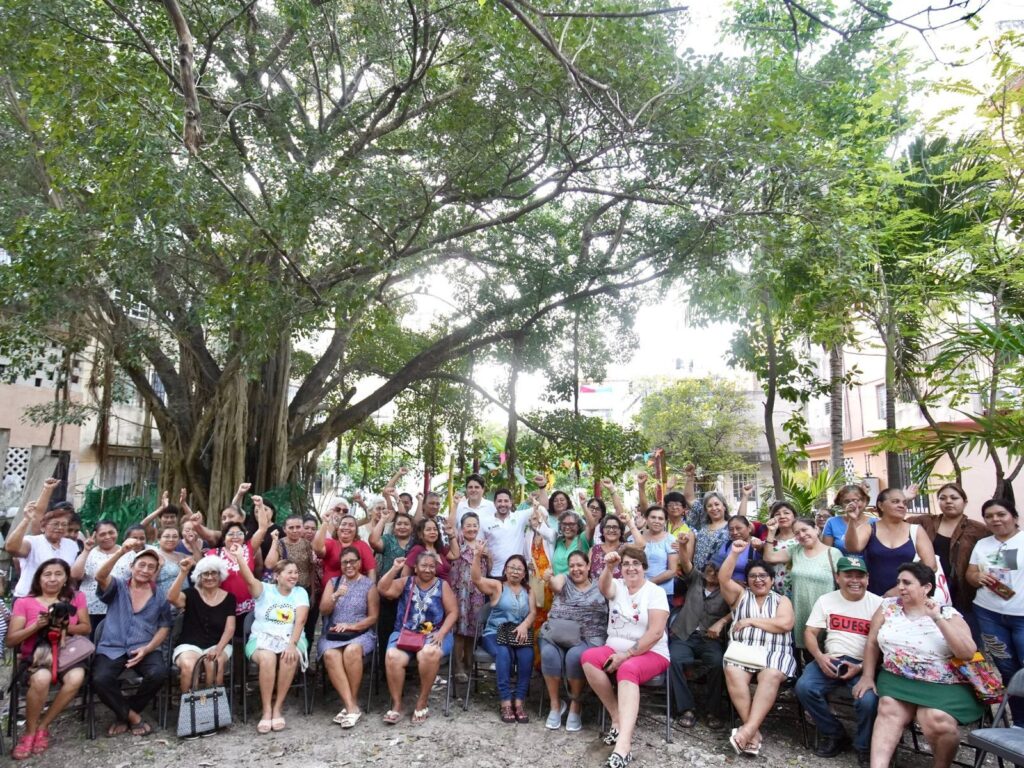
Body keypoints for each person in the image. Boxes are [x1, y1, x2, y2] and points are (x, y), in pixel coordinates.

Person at [855, 563, 982, 768]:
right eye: (899, 582)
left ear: (926, 587)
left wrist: (937, 619)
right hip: (896, 679)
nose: (901, 587)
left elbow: (967, 652)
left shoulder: (948, 613)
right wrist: (867, 676)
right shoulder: (888, 607)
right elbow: (871, 642)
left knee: (935, 718)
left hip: (943, 683)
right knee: (888, 707)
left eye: (907, 583)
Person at [582, 546, 670, 768]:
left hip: (651, 652)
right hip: (615, 646)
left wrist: (627, 655)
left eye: (636, 563)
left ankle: (624, 746)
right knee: (589, 658)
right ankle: (617, 718)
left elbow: (656, 633)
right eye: (627, 564)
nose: (631, 568)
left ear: (644, 567)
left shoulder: (655, 592)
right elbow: (603, 587)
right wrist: (609, 567)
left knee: (627, 669)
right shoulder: (618, 586)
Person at [796, 555, 883, 766]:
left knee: (868, 700)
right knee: (804, 687)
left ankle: (864, 746)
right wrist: (820, 656)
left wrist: (862, 667)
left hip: (864, 664)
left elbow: (883, 645)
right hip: (832, 658)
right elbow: (810, 632)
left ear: (868, 578)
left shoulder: (878, 604)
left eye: (860, 576)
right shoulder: (827, 600)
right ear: (838, 577)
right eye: (848, 575)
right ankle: (834, 733)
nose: (855, 580)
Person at [6, 559, 91, 759]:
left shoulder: (76, 597)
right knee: (42, 678)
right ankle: (29, 732)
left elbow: (86, 627)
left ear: (66, 578)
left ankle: (43, 725)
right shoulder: (24, 602)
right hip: (38, 656)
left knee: (76, 677)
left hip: (67, 655)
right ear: (39, 578)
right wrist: (36, 626)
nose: (53, 578)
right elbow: (11, 640)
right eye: (47, 574)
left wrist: (60, 625)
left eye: (58, 574)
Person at [719, 539, 797, 756]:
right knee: (732, 670)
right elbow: (723, 578)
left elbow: (784, 624)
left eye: (763, 576)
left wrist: (750, 621)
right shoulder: (740, 596)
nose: (758, 580)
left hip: (776, 652)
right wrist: (735, 554)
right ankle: (752, 732)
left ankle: (747, 732)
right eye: (753, 576)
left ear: (772, 580)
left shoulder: (782, 601)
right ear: (747, 581)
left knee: (771, 675)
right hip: (743, 651)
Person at [93, 540, 173, 737]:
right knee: (99, 679)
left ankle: (124, 714)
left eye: (151, 567)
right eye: (142, 565)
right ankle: (133, 718)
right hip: (113, 646)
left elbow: (165, 627)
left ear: (155, 572)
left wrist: (148, 648)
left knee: (158, 673)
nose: (145, 570)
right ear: (132, 567)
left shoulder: (160, 595)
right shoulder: (118, 586)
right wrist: (121, 551)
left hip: (143, 647)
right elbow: (100, 575)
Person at [226, 544, 309, 734]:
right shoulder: (264, 590)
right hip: (262, 637)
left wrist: (291, 645)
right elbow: (248, 578)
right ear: (276, 576)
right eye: (289, 572)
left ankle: (278, 706)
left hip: (292, 637)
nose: (294, 576)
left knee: (289, 657)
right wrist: (239, 556)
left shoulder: (300, 593)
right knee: (268, 658)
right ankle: (266, 710)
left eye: (296, 572)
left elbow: (301, 620)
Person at [378, 551, 458, 725]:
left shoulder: (442, 585)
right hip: (405, 633)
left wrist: (442, 632)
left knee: (428, 654)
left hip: (435, 633)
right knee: (393, 656)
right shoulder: (407, 582)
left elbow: (453, 612)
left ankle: (422, 701)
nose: (428, 569)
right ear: (415, 567)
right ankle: (397, 704)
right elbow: (383, 589)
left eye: (431, 566)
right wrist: (395, 569)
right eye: (424, 565)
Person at [967, 498, 1024, 726]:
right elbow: (970, 574)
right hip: (988, 614)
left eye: (1001, 514)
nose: (995, 519)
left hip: (1021, 615)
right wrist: (976, 577)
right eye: (989, 516)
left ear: (1014, 516)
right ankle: (1019, 723)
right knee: (1007, 670)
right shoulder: (983, 544)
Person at [668, 531, 730, 730]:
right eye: (710, 568)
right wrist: (684, 545)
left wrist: (722, 621)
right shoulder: (696, 579)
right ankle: (686, 708)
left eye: (717, 570)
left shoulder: (729, 589)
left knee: (717, 663)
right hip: (684, 634)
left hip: (709, 639)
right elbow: (685, 563)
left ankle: (713, 710)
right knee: (674, 660)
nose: (712, 572)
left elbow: (739, 608)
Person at [539, 550, 608, 732]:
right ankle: (555, 705)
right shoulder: (564, 579)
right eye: (572, 566)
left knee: (575, 657)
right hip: (558, 634)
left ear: (588, 566)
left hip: (589, 637)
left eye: (580, 565)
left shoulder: (600, 585)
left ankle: (575, 706)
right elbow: (556, 585)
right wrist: (550, 578)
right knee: (548, 654)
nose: (576, 569)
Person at [471, 545, 536, 723]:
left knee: (527, 656)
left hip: (518, 633)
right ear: (505, 569)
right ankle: (506, 701)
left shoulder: (528, 591)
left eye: (519, 569)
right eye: (511, 567)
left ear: (524, 574)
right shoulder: (497, 585)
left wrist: (524, 625)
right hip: (494, 632)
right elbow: (476, 579)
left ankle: (519, 701)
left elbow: (532, 613)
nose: (515, 571)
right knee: (503, 653)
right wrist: (477, 556)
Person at [318, 544, 379, 728]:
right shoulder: (333, 583)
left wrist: (351, 626)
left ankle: (350, 705)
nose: (349, 565)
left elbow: (373, 617)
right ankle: (351, 706)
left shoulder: (369, 585)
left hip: (360, 633)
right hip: (334, 634)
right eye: (345, 562)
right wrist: (335, 596)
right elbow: (323, 610)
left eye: (352, 561)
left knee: (352, 651)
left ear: (359, 563)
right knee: (330, 654)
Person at [907, 483, 986, 623]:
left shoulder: (978, 529)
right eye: (943, 498)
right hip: (929, 586)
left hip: (962, 589)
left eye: (954, 498)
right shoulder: (925, 522)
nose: (948, 501)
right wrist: (906, 499)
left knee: (963, 634)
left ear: (965, 502)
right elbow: (895, 520)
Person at [761, 515, 842, 649]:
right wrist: (771, 532)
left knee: (826, 653)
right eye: (797, 533)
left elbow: (842, 586)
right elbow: (769, 557)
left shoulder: (833, 553)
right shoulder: (795, 550)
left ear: (816, 529)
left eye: (805, 530)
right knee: (804, 654)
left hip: (826, 615)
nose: (802, 535)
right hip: (800, 614)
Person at [845, 488, 936, 596]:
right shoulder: (869, 528)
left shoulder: (916, 530)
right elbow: (853, 548)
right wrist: (852, 520)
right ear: (881, 505)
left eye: (904, 503)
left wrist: (898, 590)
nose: (902, 505)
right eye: (895, 501)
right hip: (874, 596)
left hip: (907, 596)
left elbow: (931, 566)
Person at [167, 555, 236, 693]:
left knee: (213, 663)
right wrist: (183, 572)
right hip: (189, 644)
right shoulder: (191, 594)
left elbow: (230, 628)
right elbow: (171, 598)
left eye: (213, 573)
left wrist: (218, 649)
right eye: (205, 573)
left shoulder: (229, 598)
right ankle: (191, 708)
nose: (209, 577)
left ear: (220, 575)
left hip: (218, 644)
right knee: (190, 665)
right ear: (199, 576)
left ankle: (209, 707)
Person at [7, 484, 81, 597]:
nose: (60, 528)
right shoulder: (33, 541)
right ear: (43, 527)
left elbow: (74, 574)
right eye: (56, 524)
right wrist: (26, 520)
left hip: (59, 600)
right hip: (29, 597)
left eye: (64, 525)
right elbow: (11, 548)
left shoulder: (71, 545)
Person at [71, 519, 135, 634]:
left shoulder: (129, 553)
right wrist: (86, 551)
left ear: (117, 532)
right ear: (96, 536)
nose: (107, 537)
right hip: (91, 608)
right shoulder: (89, 553)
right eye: (102, 534)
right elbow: (75, 575)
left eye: (111, 532)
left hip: (119, 607)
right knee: (89, 644)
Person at [265, 513, 319, 645]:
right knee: (287, 624)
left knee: (308, 627)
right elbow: (269, 564)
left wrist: (312, 592)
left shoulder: (307, 544)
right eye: (291, 527)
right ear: (284, 529)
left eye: (298, 527)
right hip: (285, 592)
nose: (295, 530)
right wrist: (274, 541)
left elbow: (311, 569)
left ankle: (304, 662)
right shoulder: (280, 543)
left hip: (304, 590)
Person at [449, 511, 488, 684]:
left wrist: (486, 554)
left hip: (477, 594)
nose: (471, 528)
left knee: (473, 631)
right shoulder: (457, 543)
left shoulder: (483, 545)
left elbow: (489, 568)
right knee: (459, 632)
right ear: (462, 528)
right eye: (468, 525)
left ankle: (469, 665)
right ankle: (457, 667)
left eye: (474, 525)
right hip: (459, 594)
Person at [314, 511, 377, 586]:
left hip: (355, 591)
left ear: (356, 530)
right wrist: (325, 523)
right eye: (343, 524)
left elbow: (371, 571)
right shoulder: (331, 543)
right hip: (331, 591)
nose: (347, 527)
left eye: (351, 525)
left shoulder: (363, 546)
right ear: (337, 529)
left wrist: (370, 590)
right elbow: (318, 549)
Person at [479, 487, 531, 577]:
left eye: (506, 501)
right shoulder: (484, 521)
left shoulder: (519, 517)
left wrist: (542, 487)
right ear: (494, 503)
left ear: (511, 503)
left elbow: (542, 508)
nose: (503, 504)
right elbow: (479, 544)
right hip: (495, 574)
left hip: (517, 574)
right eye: (499, 501)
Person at [589, 514, 646, 581]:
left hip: (622, 590)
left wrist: (629, 522)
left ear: (621, 531)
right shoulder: (594, 550)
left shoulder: (625, 548)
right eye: (608, 527)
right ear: (602, 531)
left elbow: (641, 545)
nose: (611, 530)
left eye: (615, 527)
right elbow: (587, 572)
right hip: (596, 590)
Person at [823, 485, 874, 554]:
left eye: (856, 500)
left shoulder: (875, 523)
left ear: (864, 502)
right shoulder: (832, 523)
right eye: (846, 501)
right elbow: (826, 552)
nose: (852, 504)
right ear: (841, 504)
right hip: (840, 563)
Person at [689, 491, 731, 572]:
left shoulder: (731, 526)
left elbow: (742, 522)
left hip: (718, 576)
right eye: (709, 506)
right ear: (706, 510)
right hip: (698, 576)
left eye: (717, 504)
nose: (714, 508)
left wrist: (745, 496)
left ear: (724, 507)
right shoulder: (702, 525)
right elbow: (689, 498)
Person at [711, 515, 760, 584]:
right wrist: (734, 582)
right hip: (725, 587)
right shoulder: (727, 545)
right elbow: (714, 567)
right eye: (731, 529)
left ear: (749, 528)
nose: (735, 532)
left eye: (738, 528)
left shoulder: (758, 546)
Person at [642, 505, 678, 597]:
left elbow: (672, 571)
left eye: (661, 518)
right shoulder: (637, 537)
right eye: (653, 517)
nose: (657, 521)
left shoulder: (670, 540)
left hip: (662, 592)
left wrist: (647, 584)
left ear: (665, 521)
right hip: (637, 590)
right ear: (646, 519)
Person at [764, 501, 799, 595]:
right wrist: (771, 532)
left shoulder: (801, 538)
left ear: (794, 516)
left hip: (797, 589)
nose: (782, 516)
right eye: (777, 514)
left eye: (786, 513)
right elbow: (767, 559)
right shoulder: (770, 539)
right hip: (774, 590)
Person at [150, 526, 189, 592]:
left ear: (179, 539)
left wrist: (193, 543)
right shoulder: (153, 555)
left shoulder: (181, 555)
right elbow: (148, 582)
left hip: (184, 598)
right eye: (167, 536)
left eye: (175, 537)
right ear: (159, 539)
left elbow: (199, 562)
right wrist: (159, 566)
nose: (171, 539)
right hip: (164, 599)